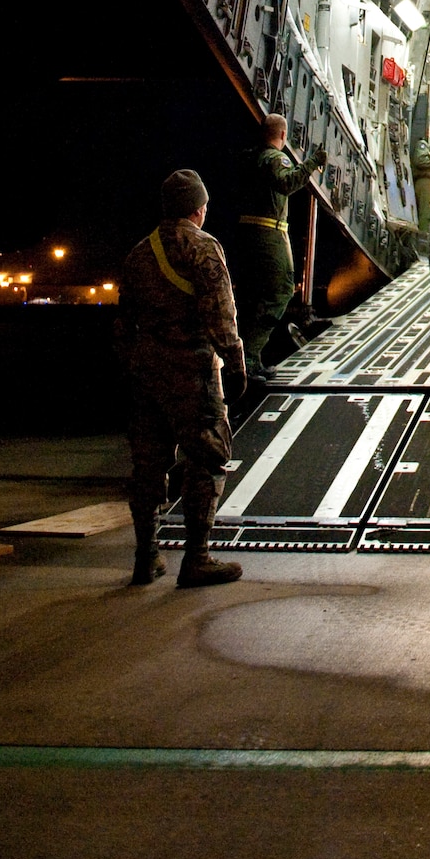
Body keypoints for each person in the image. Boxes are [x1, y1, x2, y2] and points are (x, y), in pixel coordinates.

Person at [115, 168, 248, 589]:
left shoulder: (138, 253)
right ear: (198, 208)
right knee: (206, 456)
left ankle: (146, 557)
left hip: (145, 371)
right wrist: (236, 361)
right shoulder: (203, 247)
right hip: (191, 370)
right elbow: (220, 312)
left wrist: (136, 365)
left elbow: (124, 321)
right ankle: (197, 558)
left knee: (148, 463)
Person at [235, 114, 326, 382]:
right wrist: (311, 163)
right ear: (283, 135)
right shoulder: (275, 159)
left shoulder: (252, 157)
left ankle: (246, 357)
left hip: (250, 232)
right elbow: (287, 183)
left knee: (254, 296)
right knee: (281, 290)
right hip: (269, 232)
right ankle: (249, 358)